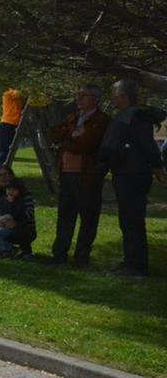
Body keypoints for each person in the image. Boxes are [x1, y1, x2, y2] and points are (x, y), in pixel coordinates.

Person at [97, 79, 167, 278]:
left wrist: (158, 170)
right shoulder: (129, 116)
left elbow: (148, 146)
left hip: (133, 175)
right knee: (127, 220)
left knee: (133, 220)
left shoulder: (136, 118)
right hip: (125, 173)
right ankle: (130, 262)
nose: (112, 99)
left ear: (123, 97)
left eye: (115, 95)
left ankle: (136, 266)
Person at [46, 85, 110, 268]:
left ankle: (81, 258)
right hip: (66, 174)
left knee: (88, 218)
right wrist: (71, 134)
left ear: (95, 99)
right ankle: (59, 255)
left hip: (87, 176)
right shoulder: (73, 117)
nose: (79, 98)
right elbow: (53, 134)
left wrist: (68, 140)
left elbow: (85, 145)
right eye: (78, 95)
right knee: (65, 215)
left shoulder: (101, 120)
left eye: (84, 95)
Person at [0, 167, 36, 258]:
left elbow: (30, 213)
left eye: (6, 174)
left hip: (23, 227)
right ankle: (11, 250)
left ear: (12, 176)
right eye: (0, 175)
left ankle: (21, 250)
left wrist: (13, 220)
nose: (3, 177)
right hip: (2, 225)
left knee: (9, 234)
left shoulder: (24, 193)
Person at [0, 87, 26, 176]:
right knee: (3, 150)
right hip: (9, 123)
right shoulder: (9, 93)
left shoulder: (12, 93)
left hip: (9, 123)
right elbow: (21, 93)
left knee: (3, 149)